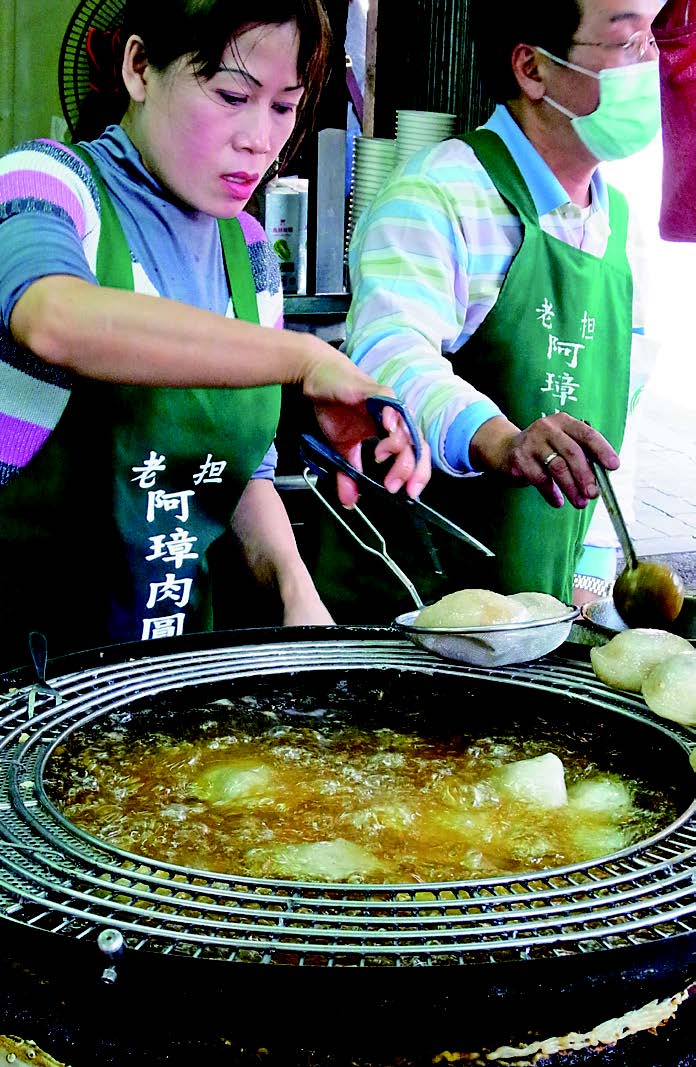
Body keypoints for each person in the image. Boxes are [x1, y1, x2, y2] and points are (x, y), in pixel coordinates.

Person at [0, 0, 430, 673]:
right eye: (234, 95)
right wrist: (305, 359)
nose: (261, 139)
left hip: (165, 673)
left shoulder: (252, 252)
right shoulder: (50, 183)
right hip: (23, 677)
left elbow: (237, 472)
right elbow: (52, 316)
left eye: (283, 107)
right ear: (140, 68)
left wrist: (295, 590)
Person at [322, 0, 662, 621]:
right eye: (625, 40)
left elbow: (622, 417)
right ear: (533, 68)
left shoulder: (621, 230)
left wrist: (592, 568)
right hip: (416, 614)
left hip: (542, 617)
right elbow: (387, 353)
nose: (648, 62)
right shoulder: (437, 194)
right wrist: (499, 440)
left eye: (652, 37)